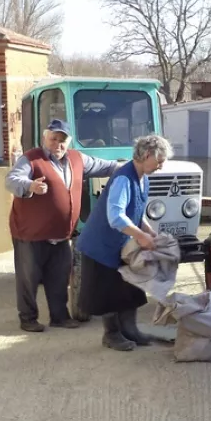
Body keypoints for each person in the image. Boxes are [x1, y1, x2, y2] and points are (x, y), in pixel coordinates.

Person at [5, 119, 120, 333]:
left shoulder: (78, 159)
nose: (57, 144)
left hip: (61, 234)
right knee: (28, 279)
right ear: (44, 138)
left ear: (69, 142)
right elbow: (11, 180)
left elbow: (105, 166)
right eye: (53, 139)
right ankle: (28, 318)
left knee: (59, 276)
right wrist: (30, 186)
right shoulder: (30, 159)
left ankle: (59, 317)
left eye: (62, 140)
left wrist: (127, 167)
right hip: (31, 234)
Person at [76, 135, 173, 352]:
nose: (161, 165)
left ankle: (130, 330)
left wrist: (150, 232)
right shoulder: (123, 178)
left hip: (119, 244)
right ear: (146, 155)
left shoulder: (142, 178)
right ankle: (111, 335)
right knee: (108, 292)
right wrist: (141, 237)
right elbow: (116, 217)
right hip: (100, 246)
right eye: (159, 160)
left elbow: (135, 212)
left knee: (129, 288)